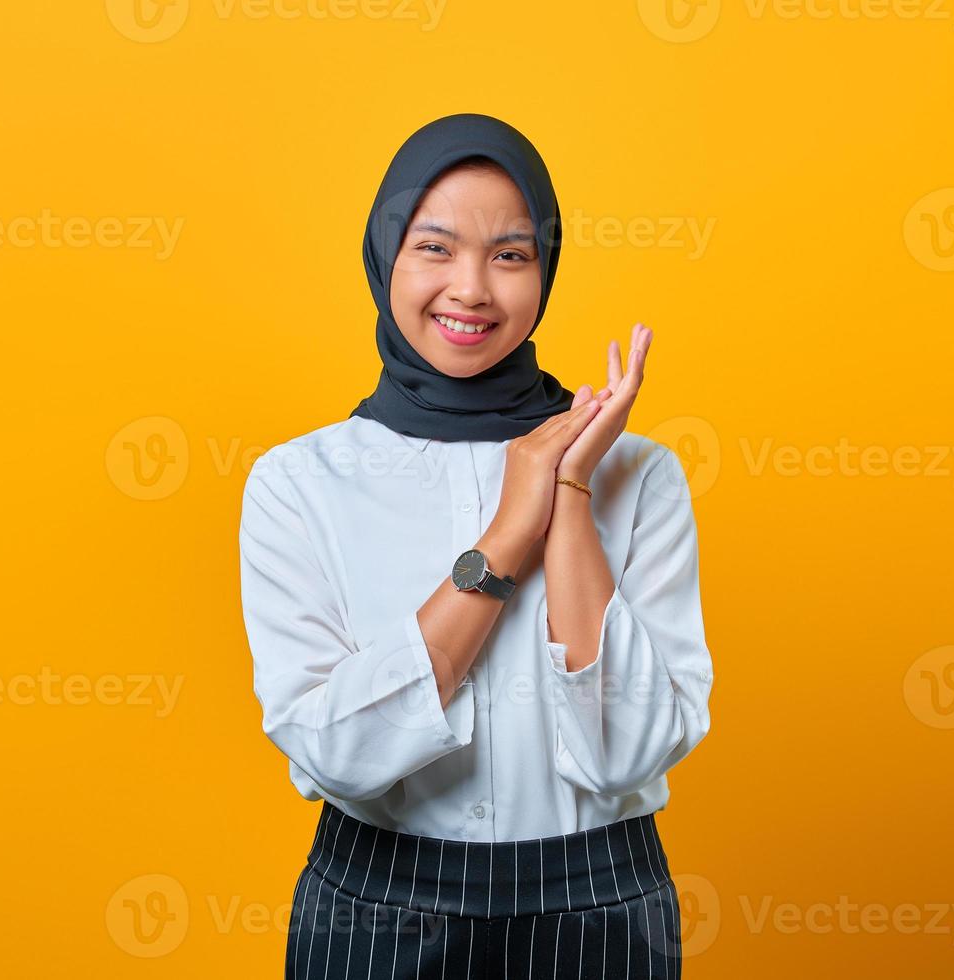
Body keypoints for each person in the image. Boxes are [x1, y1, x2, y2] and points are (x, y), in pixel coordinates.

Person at [239, 112, 713, 979]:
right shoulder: (298, 482)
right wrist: (505, 535)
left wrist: (570, 489)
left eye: (509, 254)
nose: (471, 290)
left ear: (545, 271)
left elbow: (633, 750)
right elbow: (336, 753)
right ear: (385, 259)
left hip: (600, 905)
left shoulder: (637, 474)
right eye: (434, 248)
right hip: (375, 908)